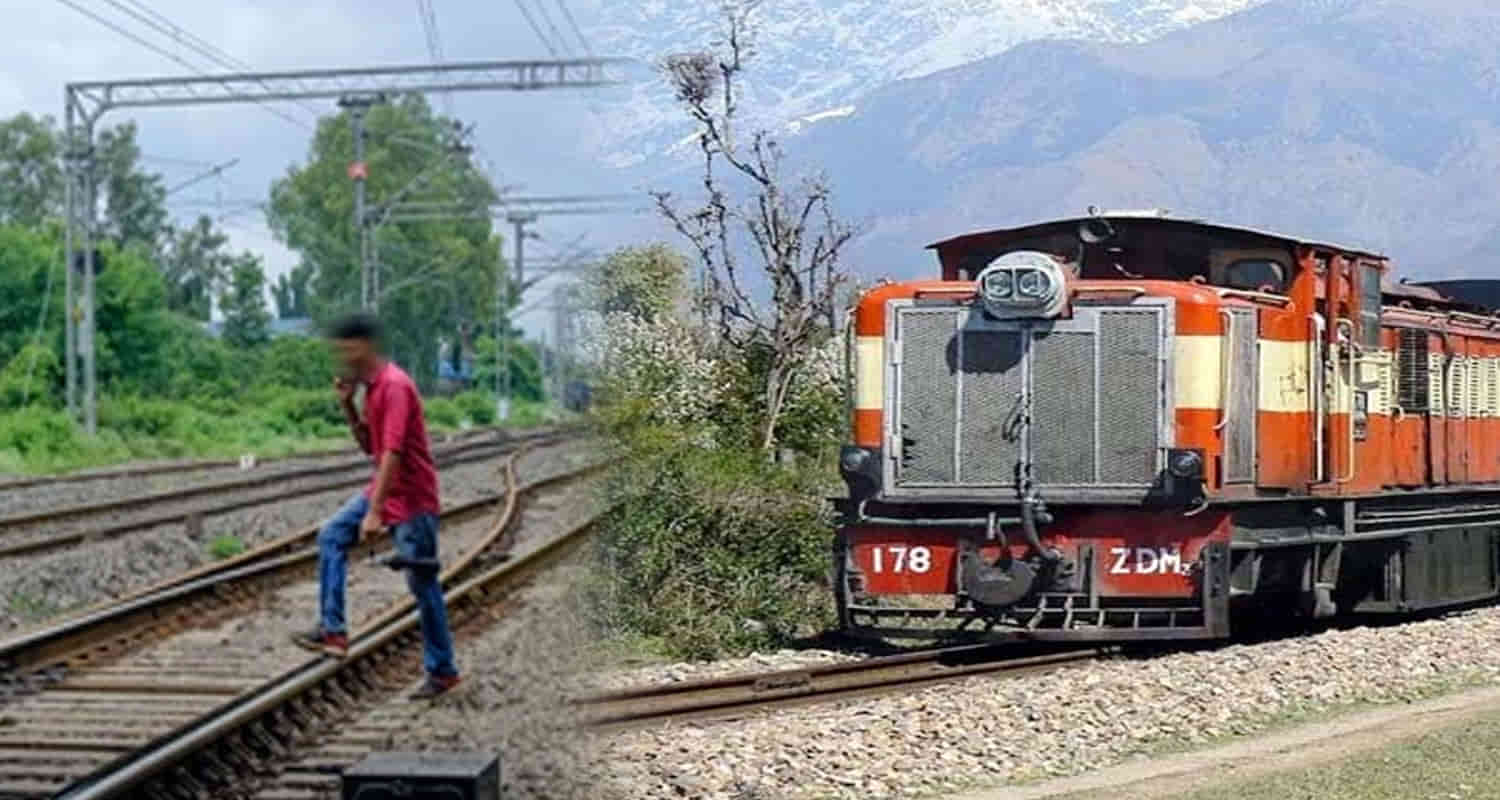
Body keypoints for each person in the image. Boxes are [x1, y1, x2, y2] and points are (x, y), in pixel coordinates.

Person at [293, 311, 461, 699]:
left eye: (347, 348)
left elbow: (393, 453)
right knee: (331, 535)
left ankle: (443, 670)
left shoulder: (395, 386)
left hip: (413, 499)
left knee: (423, 585)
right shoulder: (372, 389)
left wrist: (374, 511)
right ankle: (333, 631)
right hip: (386, 492)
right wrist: (348, 406)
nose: (343, 356)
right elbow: (371, 446)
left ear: (365, 346)